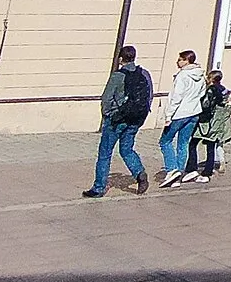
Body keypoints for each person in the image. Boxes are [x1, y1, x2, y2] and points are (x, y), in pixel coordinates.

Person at [85, 46, 153, 197]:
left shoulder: (118, 76)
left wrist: (108, 115)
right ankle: (140, 173)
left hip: (117, 120)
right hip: (136, 119)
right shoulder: (145, 73)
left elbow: (106, 98)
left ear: (120, 59)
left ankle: (99, 188)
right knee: (127, 149)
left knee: (105, 153)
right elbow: (149, 96)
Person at [158, 50, 206, 187]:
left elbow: (176, 97)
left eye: (180, 59)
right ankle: (177, 175)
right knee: (183, 144)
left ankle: (172, 169)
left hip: (179, 114)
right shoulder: (200, 75)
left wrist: (168, 115)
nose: (178, 62)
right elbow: (202, 93)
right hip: (194, 113)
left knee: (164, 141)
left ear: (187, 60)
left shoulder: (182, 76)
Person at [182, 70, 231, 184]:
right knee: (211, 147)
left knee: (193, 143)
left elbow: (206, 105)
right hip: (218, 122)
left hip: (208, 122)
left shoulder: (211, 90)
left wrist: (199, 116)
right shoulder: (223, 89)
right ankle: (208, 171)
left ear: (211, 78)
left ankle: (192, 168)